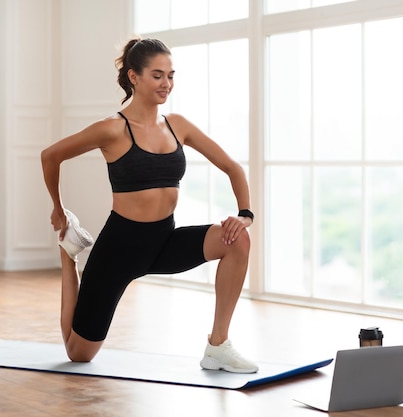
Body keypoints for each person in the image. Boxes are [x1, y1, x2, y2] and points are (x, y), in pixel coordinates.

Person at [41, 38, 258, 373]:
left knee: (238, 240)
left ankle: (218, 345)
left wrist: (244, 215)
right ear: (134, 77)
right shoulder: (112, 129)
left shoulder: (178, 126)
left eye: (171, 75)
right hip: (120, 248)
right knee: (79, 354)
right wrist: (59, 208)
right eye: (157, 75)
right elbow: (51, 155)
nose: (166, 84)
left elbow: (232, 167)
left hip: (164, 241)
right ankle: (68, 255)